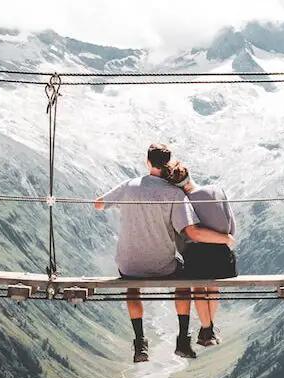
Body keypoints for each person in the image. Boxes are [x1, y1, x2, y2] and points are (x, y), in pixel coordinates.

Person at [94, 144, 235, 364]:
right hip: (163, 265)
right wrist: (224, 238)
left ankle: (140, 342)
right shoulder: (174, 193)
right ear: (168, 162)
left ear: (147, 161)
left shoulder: (129, 186)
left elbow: (99, 204)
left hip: (129, 264)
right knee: (184, 279)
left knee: (131, 285)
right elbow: (192, 231)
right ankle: (182, 340)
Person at [165, 162, 237, 347]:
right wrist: (224, 239)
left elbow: (186, 235)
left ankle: (207, 329)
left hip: (197, 258)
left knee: (198, 286)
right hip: (224, 259)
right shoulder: (217, 190)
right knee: (212, 287)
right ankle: (208, 330)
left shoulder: (183, 202)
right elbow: (232, 227)